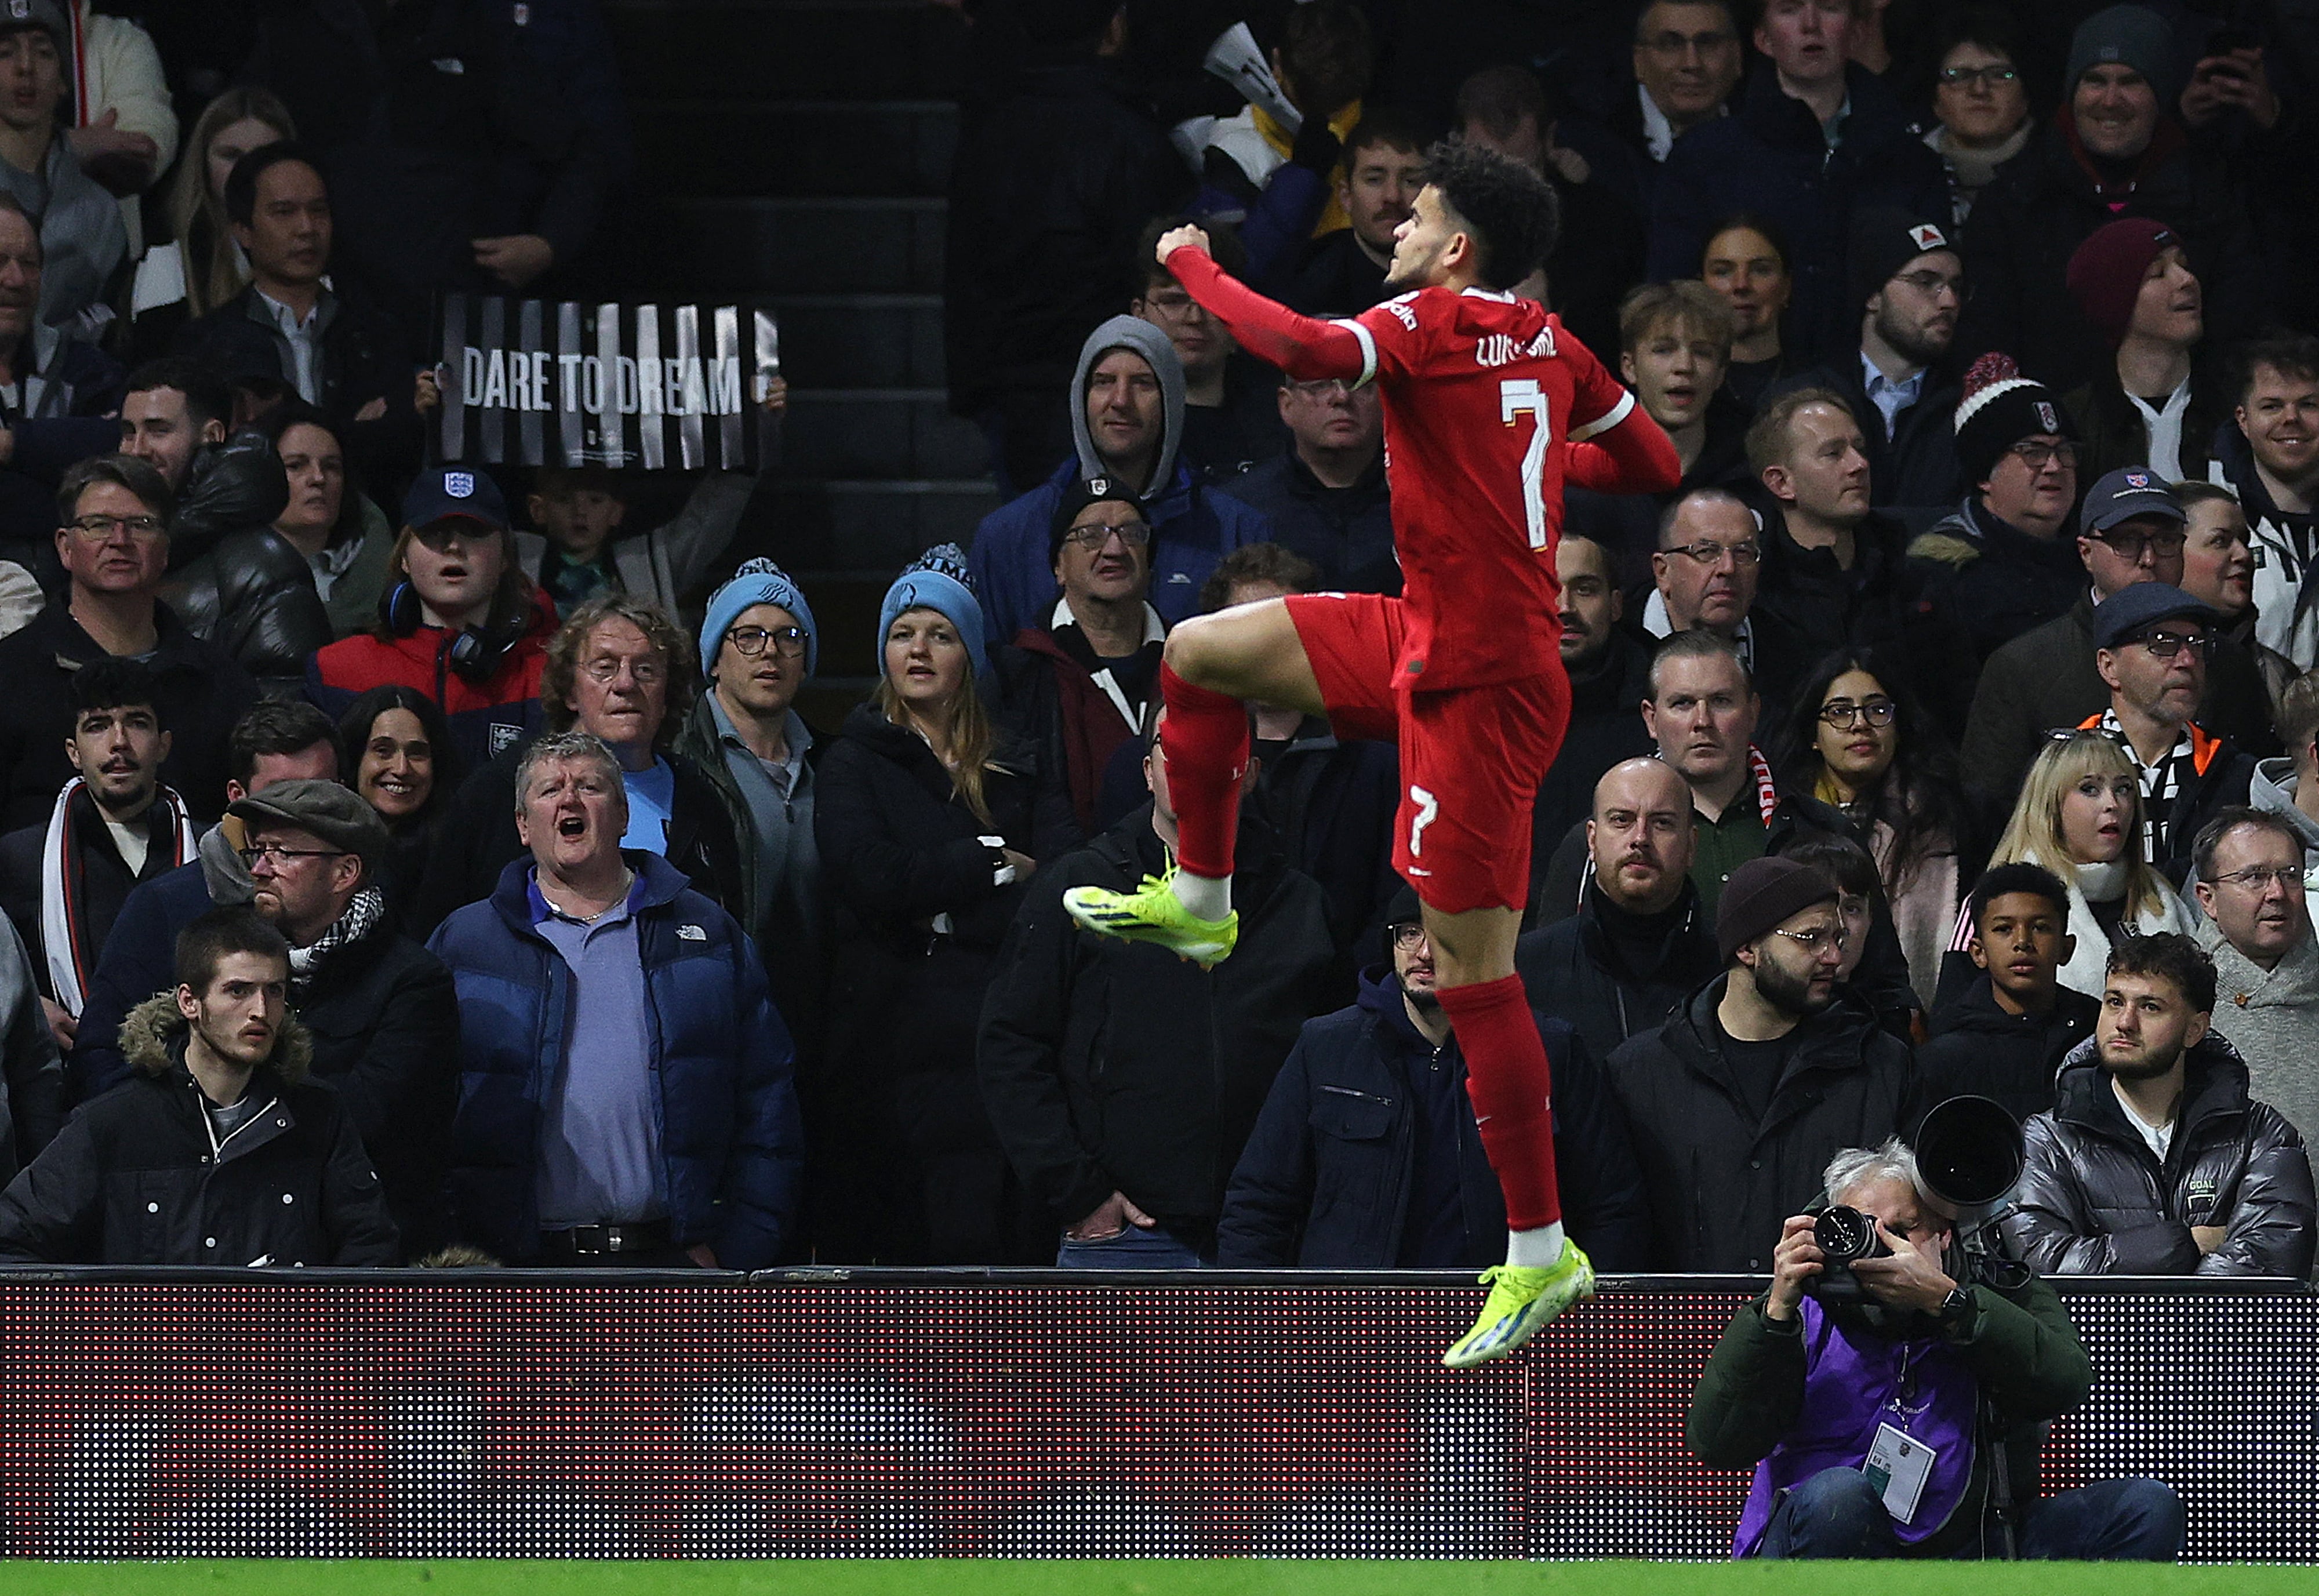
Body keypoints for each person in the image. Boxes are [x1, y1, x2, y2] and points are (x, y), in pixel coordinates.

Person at [1063, 139, 1682, 1365]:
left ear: (1456, 246)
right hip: (1424, 637)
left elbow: (1297, 350)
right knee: (1195, 652)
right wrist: (1529, 470)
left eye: (1416, 215)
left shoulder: (1429, 320)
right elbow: (1654, 463)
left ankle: (1538, 1241)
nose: (1393, 226)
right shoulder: (1545, 342)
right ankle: (1200, 895)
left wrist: (1190, 262)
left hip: (1483, 690)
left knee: (1470, 976)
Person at [1686, 1138, 2182, 1561]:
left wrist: (1951, 1305)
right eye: (1860, 1230)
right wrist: (1774, 1313)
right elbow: (1717, 1444)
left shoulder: (1992, 1291)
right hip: (1823, 1532)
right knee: (1841, 1495)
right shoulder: (1798, 1306)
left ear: (1944, 1234)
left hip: (1972, 1544)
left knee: (2146, 1506)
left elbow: (2064, 1382)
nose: (1883, 1248)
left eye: (1903, 1231)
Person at [427, 730, 802, 1269]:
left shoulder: (705, 931)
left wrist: (740, 1248)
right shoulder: (465, 943)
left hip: (677, 1268)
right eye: (550, 789)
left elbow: (769, 1102)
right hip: (517, 1275)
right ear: (521, 825)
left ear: (624, 816)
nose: (570, 800)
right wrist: (463, 1252)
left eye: (590, 786)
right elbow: (424, 1118)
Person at [980, 710, 1336, 1272]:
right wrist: (1078, 1192)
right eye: (1175, 746)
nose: (1194, 759)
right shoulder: (1079, 886)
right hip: (1124, 1234)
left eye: (1215, 741)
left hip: (1269, 1238)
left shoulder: (1300, 904)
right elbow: (1010, 1044)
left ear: (1249, 770)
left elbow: (1334, 1066)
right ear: (1148, 770)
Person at [813, 549, 1073, 1264]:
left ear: (968, 651)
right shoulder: (854, 758)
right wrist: (990, 862)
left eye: (940, 633)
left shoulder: (1016, 758)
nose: (918, 649)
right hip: (896, 1055)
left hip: (1002, 1043)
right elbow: (871, 878)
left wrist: (944, 904)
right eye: (903, 632)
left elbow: (1057, 881)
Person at [1217, 884, 1649, 1270]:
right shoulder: (1326, 1048)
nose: (1424, 952)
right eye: (1410, 932)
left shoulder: (1549, 1051)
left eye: (1443, 934)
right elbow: (1257, 1208)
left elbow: (1613, 1209)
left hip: (1499, 1330)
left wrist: (1571, 1327)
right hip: (1355, 1335)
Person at [0, 907, 398, 1267]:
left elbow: (369, 1251)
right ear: (190, 1001)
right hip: (150, 1347)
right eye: (238, 990)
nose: (260, 1010)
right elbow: (14, 1239)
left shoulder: (318, 1116)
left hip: (280, 1345)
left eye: (275, 991)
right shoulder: (115, 1123)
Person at [240, 0, 630, 327]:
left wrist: (549, 243)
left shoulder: (471, 28)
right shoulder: (295, 26)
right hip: (331, 313)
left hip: (454, 313)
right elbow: (239, 142)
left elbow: (581, 149)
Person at [1608, 855, 1911, 1273]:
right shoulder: (1641, 1074)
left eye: (1837, 938)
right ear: (1747, 948)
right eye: (1810, 939)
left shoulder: (1881, 1065)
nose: (1832, 957)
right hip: (1687, 1327)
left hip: (1831, 1326)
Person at [1956, 5, 2278, 395]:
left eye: (2130, 81)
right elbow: (1987, 343)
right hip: (2052, 438)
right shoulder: (2015, 200)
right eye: (2094, 80)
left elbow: (2239, 334)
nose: (2110, 100)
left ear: (2160, 95)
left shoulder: (2210, 198)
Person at [943, 1, 1188, 493]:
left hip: (1013, 383)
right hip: (1110, 377)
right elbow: (1149, 265)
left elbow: (964, 264)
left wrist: (972, 386)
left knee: (1043, 541)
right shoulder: (1132, 137)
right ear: (1114, 28)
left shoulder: (990, 132)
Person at [410, 593, 744, 936]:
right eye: (605, 668)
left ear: (668, 694)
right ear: (571, 691)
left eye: (645, 670)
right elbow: (439, 934)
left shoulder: (701, 801)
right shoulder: (500, 790)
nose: (626, 684)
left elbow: (731, 935)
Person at [224, 777, 459, 1257]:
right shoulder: (228, 966)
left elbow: (366, 1117)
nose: (262, 868)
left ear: (345, 871)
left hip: (364, 1256)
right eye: (258, 851)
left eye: (283, 853)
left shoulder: (413, 982)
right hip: (246, 1242)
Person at [66, 699, 341, 1104]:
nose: (301, 812)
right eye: (279, 794)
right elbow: (100, 1060)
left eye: (318, 791)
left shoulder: (368, 911)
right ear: (237, 795)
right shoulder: (165, 906)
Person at [1647, 0, 1947, 368]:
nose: (1811, 24)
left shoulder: (1911, 163)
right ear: (1762, 37)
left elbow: (1936, 294)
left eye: (1830, 8)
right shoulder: (1702, 160)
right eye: (1789, 9)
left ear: (1856, 31)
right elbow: (1673, 298)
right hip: (1739, 391)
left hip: (1882, 394)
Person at [2006, 932, 2315, 1280]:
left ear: (2194, 1030)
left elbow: (2275, 1261)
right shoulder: (2049, 1138)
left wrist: (2166, 1314)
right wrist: (2190, 1244)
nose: (2124, 1022)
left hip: (2224, 1336)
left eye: (2150, 1007)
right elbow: (2041, 1264)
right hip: (2087, 1337)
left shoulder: (2262, 1134)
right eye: (2114, 1002)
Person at [1960, 468, 2274, 804]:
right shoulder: (2023, 667)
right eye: (2126, 541)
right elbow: (1988, 808)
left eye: (2166, 541)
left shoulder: (2226, 662)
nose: (2149, 559)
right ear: (2086, 553)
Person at [965, 314, 1271, 652]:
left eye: (1142, 383)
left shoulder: (1236, 531)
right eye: (1103, 381)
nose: (1121, 400)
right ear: (1080, 398)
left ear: (1171, 399)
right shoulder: (1008, 537)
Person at [0, 455, 259, 833]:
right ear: (65, 547)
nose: (119, 541)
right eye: (99, 525)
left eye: (141, 525)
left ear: (166, 548)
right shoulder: (9, 674)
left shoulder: (222, 683)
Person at [172, 143, 419, 489]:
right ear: (243, 229)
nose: (307, 228)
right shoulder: (206, 344)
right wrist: (354, 433)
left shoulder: (377, 335)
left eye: (319, 211)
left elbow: (398, 452)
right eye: (284, 212)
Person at [305, 466, 556, 774]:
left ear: (505, 557)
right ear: (404, 559)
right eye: (435, 533)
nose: (454, 547)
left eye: (474, 534)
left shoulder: (548, 677)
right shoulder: (336, 670)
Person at [673, 559, 824, 1064]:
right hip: (715, 1019)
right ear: (715, 658)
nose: (771, 652)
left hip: (816, 1018)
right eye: (749, 636)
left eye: (789, 637)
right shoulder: (677, 761)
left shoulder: (834, 762)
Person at [0, 659, 194, 1048]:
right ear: (74, 751)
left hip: (193, 1073)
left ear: (164, 744)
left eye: (137, 723)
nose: (119, 741)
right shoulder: (20, 857)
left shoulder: (211, 851)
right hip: (68, 1077)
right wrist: (31, 1009)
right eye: (98, 726)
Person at [1744, 388, 1965, 727]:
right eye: (1833, 454)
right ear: (1781, 482)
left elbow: (1955, 710)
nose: (1859, 464)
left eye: (1860, 449)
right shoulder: (1757, 597)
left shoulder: (1916, 584)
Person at [1767, 648, 1971, 1006]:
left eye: (1878, 710)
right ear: (1813, 734)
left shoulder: (1948, 819)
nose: (1861, 724)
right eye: (1840, 712)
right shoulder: (1783, 820)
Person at [120, 361, 329, 689]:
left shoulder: (262, 565)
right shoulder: (112, 545)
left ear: (213, 436)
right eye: (128, 432)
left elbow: (284, 704)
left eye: (159, 430)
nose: (137, 450)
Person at [1540, 629, 1773, 921]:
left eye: (1721, 701)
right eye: (1683, 704)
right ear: (1651, 719)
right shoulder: (1596, 844)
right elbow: (1554, 958)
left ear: (1753, 713)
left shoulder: (1802, 826)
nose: (1702, 722)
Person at [994, 477, 1165, 837]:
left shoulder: (1192, 661)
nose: (1115, 548)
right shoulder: (1019, 673)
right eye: (1091, 535)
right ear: (1058, 566)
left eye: (1132, 533)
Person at [1518, 758, 1719, 1061]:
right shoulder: (1527, 970)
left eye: (1662, 823)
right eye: (1621, 820)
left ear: (1691, 845)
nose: (1640, 838)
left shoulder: (1727, 977)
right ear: (1592, 839)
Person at [1973, 729, 2196, 1000]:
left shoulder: (2164, 897)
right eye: (2090, 789)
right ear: (2051, 805)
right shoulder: (1996, 898)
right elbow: (1960, 1014)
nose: (2113, 804)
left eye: (2124, 789)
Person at [1451, 64, 1646, 363]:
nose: (1505, 195)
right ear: (1458, 147)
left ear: (1550, 139)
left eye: (1522, 176)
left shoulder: (1603, 227)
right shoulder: (1431, 227)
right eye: (1487, 175)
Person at [1904, 357, 2087, 667]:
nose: (2054, 467)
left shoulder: (2096, 557)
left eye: (2063, 451)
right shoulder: (1943, 574)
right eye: (2033, 452)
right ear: (1984, 475)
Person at [1782, 210, 1965, 516]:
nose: (1949, 301)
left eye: (1956, 287)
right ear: (1873, 296)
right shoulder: (1803, 398)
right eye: (1925, 281)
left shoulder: (1971, 405)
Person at [2077, 582, 2255, 881]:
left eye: (2196, 643)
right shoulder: (2063, 770)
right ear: (2109, 667)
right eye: (2163, 643)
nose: (2187, 661)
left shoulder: (2236, 774)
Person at [1565, 282, 1749, 561]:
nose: (1684, 366)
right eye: (1664, 350)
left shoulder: (1747, 479)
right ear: (1629, 367)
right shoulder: (1585, 486)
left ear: (1721, 373)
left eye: (1702, 352)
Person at [1911, 863, 2099, 1129]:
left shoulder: (2096, 1034)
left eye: (2040, 927)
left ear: (2066, 948)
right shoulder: (1944, 1055)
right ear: (1978, 952)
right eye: (2003, 929)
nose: (2022, 942)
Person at [124, 86, 296, 358]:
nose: (247, 171)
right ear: (203, 163)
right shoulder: (168, 266)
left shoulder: (320, 261)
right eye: (231, 156)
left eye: (265, 156)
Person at [0, 195, 125, 561]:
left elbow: (124, 453)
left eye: (29, 263)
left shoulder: (90, 370)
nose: (16, 279)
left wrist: (12, 446)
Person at [2190, 809, 2319, 1150]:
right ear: (2208, 898)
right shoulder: (2175, 999)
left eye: (2290, 876)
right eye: (2255, 877)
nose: (2277, 892)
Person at [2063, 220, 2225, 486]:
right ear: (2114, 302)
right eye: (2158, 273)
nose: (2187, 280)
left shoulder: (2237, 401)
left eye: (2184, 266)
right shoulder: (2075, 424)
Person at [1553, 0, 1743, 228]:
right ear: (1639, 61)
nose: (1691, 63)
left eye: (1708, 44)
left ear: (1737, 58)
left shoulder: (1774, 142)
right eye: (1670, 45)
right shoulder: (1590, 151)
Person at [1213, 365, 1394, 595]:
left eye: (1359, 384)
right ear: (1286, 405)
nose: (1341, 397)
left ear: (1385, 400)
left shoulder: (1423, 504)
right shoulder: (1238, 509)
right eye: (1319, 386)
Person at [0, 0, 124, 333]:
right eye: (5, 53)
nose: (26, 67)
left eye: (43, 53)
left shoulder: (101, 213)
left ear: (64, 80)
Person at [512, 460, 762, 625]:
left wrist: (757, 424)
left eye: (596, 500)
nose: (581, 511)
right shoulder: (511, 560)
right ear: (538, 509)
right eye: (564, 499)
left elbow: (705, 523)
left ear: (616, 512)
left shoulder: (647, 564)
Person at [1128, 217, 1281, 482]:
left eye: (1213, 302)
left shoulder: (1283, 422)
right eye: (1174, 301)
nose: (1195, 318)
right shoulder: (1115, 420)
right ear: (1139, 315)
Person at [1527, 535, 1653, 855]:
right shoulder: (1489, 706)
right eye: (1549, 588)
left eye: (1585, 590)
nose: (1565, 607)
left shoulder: (1658, 706)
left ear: (1615, 605)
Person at [2211, 333, 2319, 678]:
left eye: (2309, 404)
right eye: (2272, 406)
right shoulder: (2206, 521)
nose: (2292, 418)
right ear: (2243, 419)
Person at [262, 406, 394, 639]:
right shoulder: (231, 577)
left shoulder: (381, 579)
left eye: (331, 467)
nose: (318, 478)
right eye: (296, 465)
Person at [1282, 111, 1425, 315]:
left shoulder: (1461, 279)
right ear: (1346, 195)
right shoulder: (1310, 286)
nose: (1393, 196)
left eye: (1411, 181)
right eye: (1374, 180)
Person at [336, 684, 459, 914]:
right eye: (383, 750)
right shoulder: (320, 848)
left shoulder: (457, 858)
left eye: (417, 753)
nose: (402, 769)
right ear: (355, 758)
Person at [1918, 7, 2034, 227]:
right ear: (1935, 101)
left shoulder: (2061, 177)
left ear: (2025, 98)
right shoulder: (1905, 177)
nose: (1980, 89)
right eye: (1959, 76)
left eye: (2001, 75)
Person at [2173, 482, 2283, 704]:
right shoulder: (2125, 661)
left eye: (2244, 541)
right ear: (2171, 549)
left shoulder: (2279, 677)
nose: (2244, 554)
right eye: (2220, 541)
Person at [1701, 215, 1795, 414]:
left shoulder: (1819, 385)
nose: (1741, 285)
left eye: (1760, 270)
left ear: (1786, 287)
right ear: (1701, 286)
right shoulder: (1688, 387)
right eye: (1723, 272)